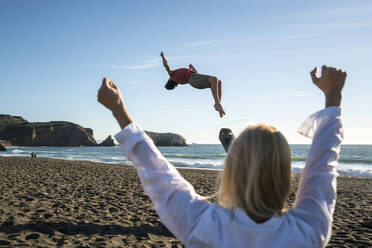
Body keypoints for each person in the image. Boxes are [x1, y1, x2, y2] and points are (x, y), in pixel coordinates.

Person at [97, 65, 346, 248]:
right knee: (216, 82)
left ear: (232, 169)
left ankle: (218, 103)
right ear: (284, 173)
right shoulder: (308, 231)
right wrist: (333, 99)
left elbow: (158, 173)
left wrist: (119, 109)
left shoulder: (204, 224)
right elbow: (322, 170)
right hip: (197, 80)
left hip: (196, 80)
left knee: (216, 82)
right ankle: (218, 103)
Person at [160, 51, 226, 118]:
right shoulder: (172, 75)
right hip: (193, 79)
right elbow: (166, 65)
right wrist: (163, 57)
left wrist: (192, 69)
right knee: (214, 79)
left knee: (218, 82)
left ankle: (218, 105)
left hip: (195, 82)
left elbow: (197, 76)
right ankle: (217, 103)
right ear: (170, 80)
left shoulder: (179, 80)